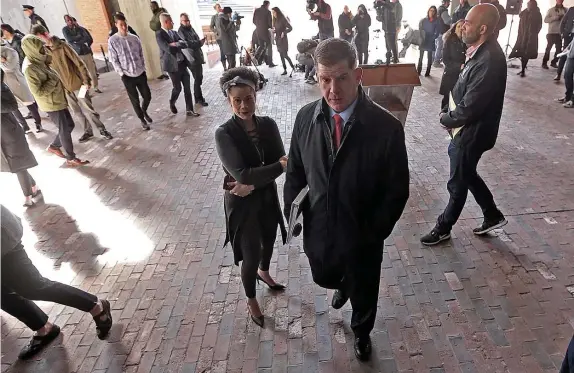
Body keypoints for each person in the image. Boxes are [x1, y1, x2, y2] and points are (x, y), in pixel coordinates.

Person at [284, 38, 409, 361]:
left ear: (359, 75)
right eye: (325, 79)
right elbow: (296, 172)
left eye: (341, 78)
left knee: (365, 288)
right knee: (323, 274)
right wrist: (293, 212)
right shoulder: (304, 118)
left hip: (363, 234)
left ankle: (362, 332)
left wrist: (373, 232)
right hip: (321, 228)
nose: (332, 89)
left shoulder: (386, 129)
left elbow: (397, 191)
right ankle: (343, 283)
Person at [420, 4, 508, 246]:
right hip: (466, 128)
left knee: (457, 181)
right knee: (466, 172)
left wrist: (446, 119)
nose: (462, 25)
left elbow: (470, 107)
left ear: (482, 28)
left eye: (467, 22)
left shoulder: (489, 59)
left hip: (471, 133)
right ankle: (492, 214)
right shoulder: (479, 50)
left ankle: (443, 227)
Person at [215, 67, 288, 328]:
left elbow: (278, 161)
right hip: (242, 206)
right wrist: (274, 168)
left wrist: (252, 183)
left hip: (265, 196)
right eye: (237, 100)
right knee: (251, 253)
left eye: (248, 98)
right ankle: (251, 297)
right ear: (229, 101)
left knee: (269, 240)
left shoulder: (268, 124)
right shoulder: (224, 133)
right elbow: (243, 172)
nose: (244, 105)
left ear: (255, 95)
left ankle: (264, 274)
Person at [1, 204, 113, 360]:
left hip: (3, 240)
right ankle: (44, 328)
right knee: (2, 294)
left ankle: (96, 306)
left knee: (33, 286)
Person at [31, 25, 113, 143]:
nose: (40, 41)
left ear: (45, 34)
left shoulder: (62, 46)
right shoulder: (44, 52)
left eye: (40, 38)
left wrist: (86, 81)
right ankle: (87, 131)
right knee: (77, 112)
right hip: (65, 89)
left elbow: (79, 63)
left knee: (89, 109)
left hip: (79, 86)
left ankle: (102, 129)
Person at [21, 35, 89, 166]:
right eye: (40, 48)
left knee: (69, 125)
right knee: (64, 129)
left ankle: (54, 146)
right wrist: (53, 80)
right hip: (51, 104)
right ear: (32, 49)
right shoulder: (30, 68)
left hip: (58, 99)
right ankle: (71, 158)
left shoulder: (38, 58)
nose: (43, 50)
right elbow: (38, 92)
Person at [1, 75, 41, 207]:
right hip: (2, 134)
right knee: (15, 164)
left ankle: (27, 196)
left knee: (18, 164)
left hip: (10, 132)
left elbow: (13, 106)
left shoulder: (3, 87)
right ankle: (33, 186)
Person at [108, 13, 152, 130]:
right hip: (127, 75)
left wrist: (143, 68)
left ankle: (144, 111)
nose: (124, 27)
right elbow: (113, 59)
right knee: (135, 99)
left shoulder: (134, 38)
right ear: (116, 25)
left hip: (140, 72)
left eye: (125, 24)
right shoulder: (113, 40)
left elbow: (141, 54)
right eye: (121, 25)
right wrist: (121, 73)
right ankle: (142, 119)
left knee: (147, 96)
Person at [156, 13, 200, 117]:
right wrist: (176, 44)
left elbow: (184, 43)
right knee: (177, 88)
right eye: (171, 21)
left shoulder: (174, 32)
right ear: (166, 22)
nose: (173, 23)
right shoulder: (159, 34)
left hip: (182, 64)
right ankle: (172, 101)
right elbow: (167, 49)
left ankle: (189, 109)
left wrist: (175, 43)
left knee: (187, 88)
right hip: (172, 66)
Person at [1, 43, 42, 133]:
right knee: (14, 107)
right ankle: (25, 126)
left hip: (17, 81)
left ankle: (38, 123)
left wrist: (2, 61)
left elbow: (9, 67)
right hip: (5, 84)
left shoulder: (10, 51)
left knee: (29, 104)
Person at [62, 15, 101, 94]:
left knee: (92, 72)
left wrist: (77, 41)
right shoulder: (65, 30)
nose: (70, 22)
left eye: (71, 20)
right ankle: (84, 92)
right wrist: (79, 39)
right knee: (81, 74)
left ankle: (95, 87)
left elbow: (87, 38)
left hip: (86, 52)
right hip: (77, 54)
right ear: (65, 22)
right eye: (68, 20)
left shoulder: (81, 29)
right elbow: (70, 40)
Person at [178, 13, 208, 107]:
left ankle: (198, 97)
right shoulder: (181, 31)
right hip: (191, 58)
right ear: (181, 21)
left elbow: (196, 39)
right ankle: (198, 98)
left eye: (188, 20)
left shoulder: (190, 28)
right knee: (197, 78)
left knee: (199, 78)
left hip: (197, 56)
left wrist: (200, 42)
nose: (187, 22)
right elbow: (188, 44)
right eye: (185, 21)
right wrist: (199, 42)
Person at [509, 0, 543, 78]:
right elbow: (520, 23)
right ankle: (522, 68)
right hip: (522, 36)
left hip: (530, 38)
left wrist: (533, 34)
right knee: (521, 52)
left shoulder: (537, 14)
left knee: (526, 53)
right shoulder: (524, 13)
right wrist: (520, 33)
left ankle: (523, 69)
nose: (528, 6)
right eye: (528, 4)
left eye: (530, 5)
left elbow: (539, 26)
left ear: (534, 5)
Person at [439, 20, 466, 109]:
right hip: (450, 75)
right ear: (454, 29)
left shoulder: (468, 43)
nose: (461, 29)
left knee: (459, 99)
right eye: (458, 26)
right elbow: (446, 60)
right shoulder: (449, 41)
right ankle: (444, 115)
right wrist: (459, 66)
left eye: (463, 26)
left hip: (463, 76)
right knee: (448, 98)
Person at [543, 0, 567, 69]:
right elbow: (545, 20)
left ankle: (554, 62)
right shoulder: (551, 10)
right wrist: (555, 18)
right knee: (548, 48)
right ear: (556, 0)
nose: (560, 1)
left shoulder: (566, 10)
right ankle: (544, 63)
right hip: (551, 32)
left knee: (559, 50)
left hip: (560, 33)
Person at [149, 1, 170, 80]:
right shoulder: (155, 14)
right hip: (159, 34)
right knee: (162, 54)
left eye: (153, 6)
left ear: (157, 5)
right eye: (151, 6)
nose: (152, 8)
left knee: (167, 52)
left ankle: (168, 71)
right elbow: (153, 24)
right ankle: (164, 73)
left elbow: (157, 24)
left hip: (164, 34)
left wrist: (153, 23)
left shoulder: (161, 12)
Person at [272, 7, 294, 76]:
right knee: (281, 55)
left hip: (283, 39)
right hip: (278, 39)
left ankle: (293, 67)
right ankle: (285, 70)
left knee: (285, 55)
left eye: (274, 12)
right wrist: (273, 31)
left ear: (277, 12)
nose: (273, 14)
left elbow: (290, 28)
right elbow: (276, 29)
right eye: (272, 13)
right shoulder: (275, 20)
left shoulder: (283, 19)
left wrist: (284, 32)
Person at [418, 6, 440, 76]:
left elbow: (437, 32)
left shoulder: (436, 21)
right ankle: (418, 71)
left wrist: (432, 38)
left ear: (435, 12)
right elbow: (420, 29)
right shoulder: (424, 20)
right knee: (420, 57)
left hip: (430, 40)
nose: (432, 12)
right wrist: (421, 37)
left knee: (429, 57)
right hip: (423, 40)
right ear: (428, 11)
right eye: (430, 10)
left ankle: (427, 72)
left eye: (433, 11)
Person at [253, 1, 276, 67]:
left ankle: (255, 57)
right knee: (269, 46)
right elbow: (269, 23)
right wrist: (271, 27)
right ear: (268, 5)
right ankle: (270, 63)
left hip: (258, 30)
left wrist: (259, 26)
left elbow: (253, 21)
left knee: (261, 45)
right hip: (265, 31)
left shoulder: (256, 10)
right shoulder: (268, 12)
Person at [556, 7, 574, 81]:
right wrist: (562, 32)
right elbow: (563, 21)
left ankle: (569, 75)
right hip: (569, 35)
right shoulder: (571, 10)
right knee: (564, 54)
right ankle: (558, 73)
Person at [557, 38, 573, 107]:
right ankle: (568, 96)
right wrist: (568, 47)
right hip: (571, 55)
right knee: (567, 75)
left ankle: (572, 100)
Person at [434, 0, 452, 67]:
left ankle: (435, 60)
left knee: (437, 46)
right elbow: (447, 21)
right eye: (449, 2)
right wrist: (453, 19)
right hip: (442, 31)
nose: (449, 4)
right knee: (440, 47)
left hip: (438, 31)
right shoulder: (443, 10)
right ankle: (436, 62)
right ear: (446, 2)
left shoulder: (439, 9)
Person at [210, 3, 227, 70]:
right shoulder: (214, 17)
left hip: (226, 37)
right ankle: (224, 67)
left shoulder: (224, 15)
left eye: (220, 6)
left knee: (228, 51)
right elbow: (211, 26)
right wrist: (216, 31)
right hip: (219, 37)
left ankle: (230, 66)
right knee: (222, 51)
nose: (219, 8)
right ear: (215, 9)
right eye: (218, 7)